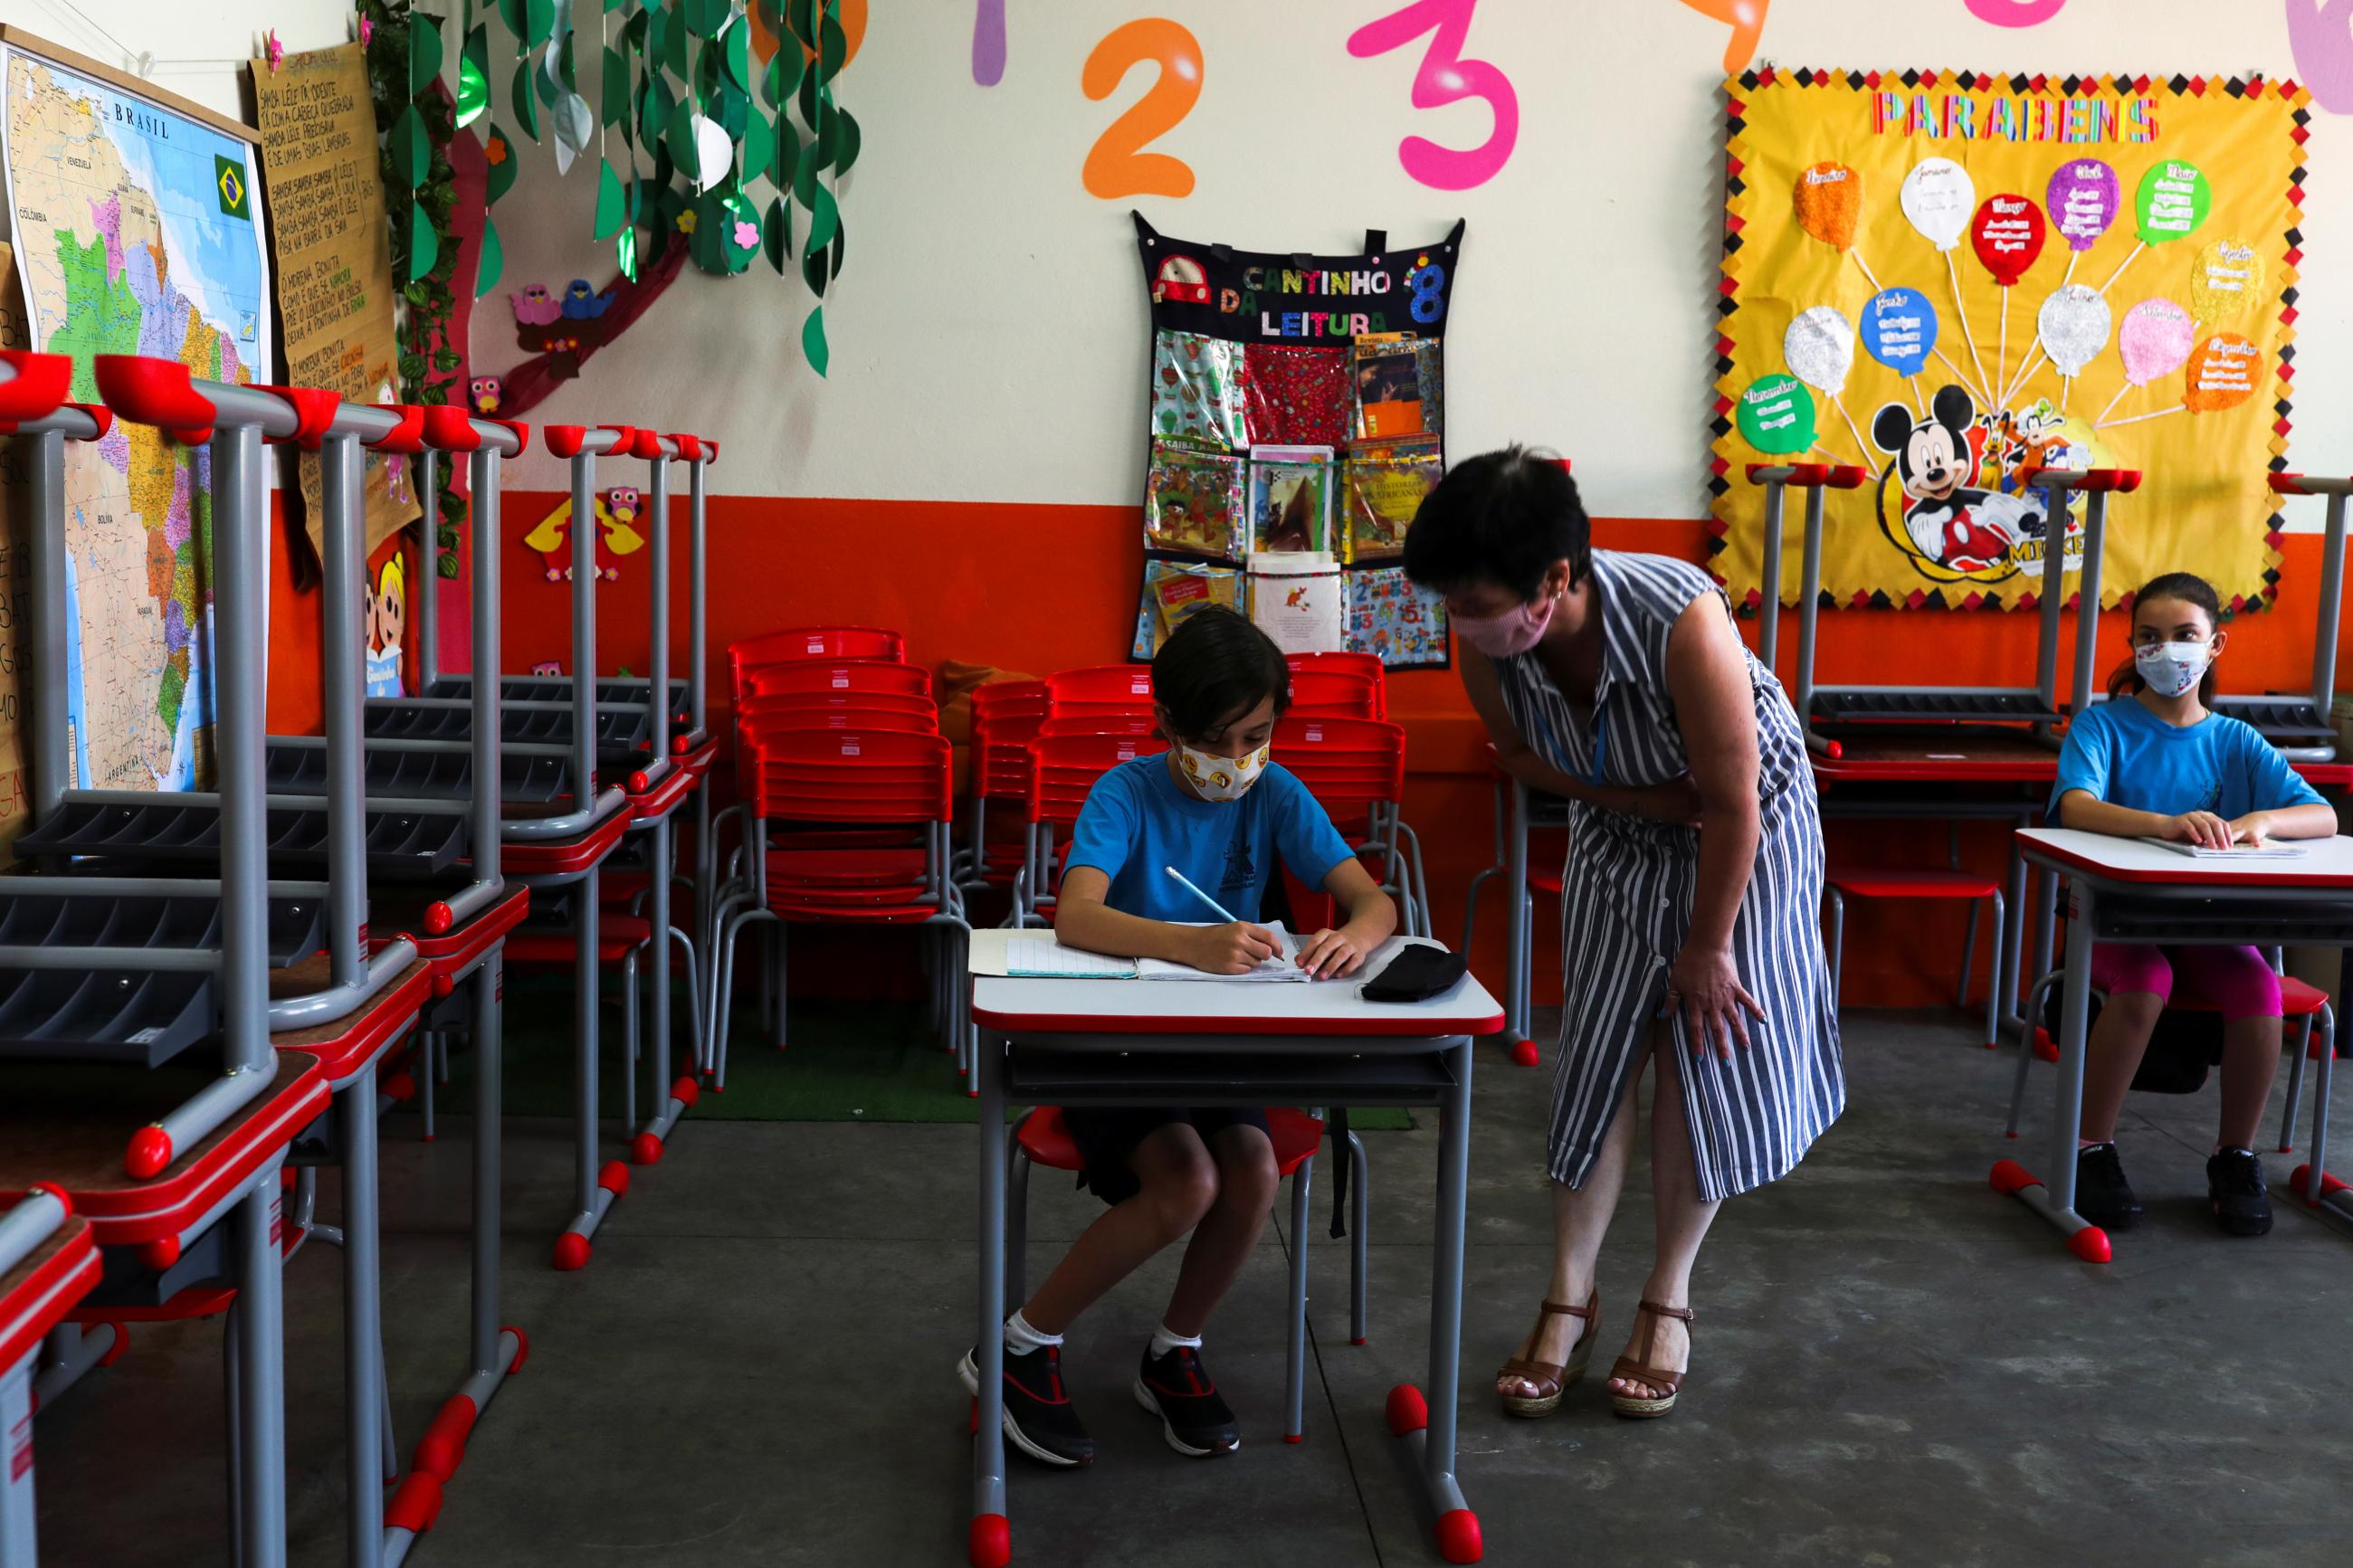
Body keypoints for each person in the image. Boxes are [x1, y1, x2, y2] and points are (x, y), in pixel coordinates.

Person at [1403, 447, 1841, 1421]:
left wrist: (1707, 947)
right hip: (1626, 818)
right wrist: (1626, 797)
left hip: (1744, 832)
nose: (1462, 624)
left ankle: (1667, 1295)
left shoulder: (1680, 621)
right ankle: (1568, 1294)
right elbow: (1517, 755)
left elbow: (1730, 806)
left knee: (1699, 1045)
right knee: (1598, 1050)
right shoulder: (1489, 639)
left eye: (1475, 601)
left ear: (1556, 577)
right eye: (1450, 603)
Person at [958, 607, 1397, 1466]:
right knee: (1188, 1179)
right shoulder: (1125, 792)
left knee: (1255, 1171)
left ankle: (1174, 1352)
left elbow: (1372, 898)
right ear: (1165, 724)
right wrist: (1190, 941)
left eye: (1257, 734)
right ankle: (1016, 1345)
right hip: (1121, 1047)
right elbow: (1077, 913)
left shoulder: (1274, 791)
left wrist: (1361, 933)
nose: (1237, 760)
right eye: (1219, 739)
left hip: (1221, 1045)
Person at [2052, 570, 2337, 1237]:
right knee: (2148, 978)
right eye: (2149, 638)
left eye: (2184, 635)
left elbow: (2318, 815)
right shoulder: (2102, 726)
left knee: (2258, 987)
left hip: (2205, 923)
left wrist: (2259, 821)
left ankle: (2235, 1157)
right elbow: (2074, 806)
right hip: (2115, 922)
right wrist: (2165, 822)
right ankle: (2091, 1146)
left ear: (2215, 645)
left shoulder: (2235, 739)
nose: (2166, 651)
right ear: (2132, 645)